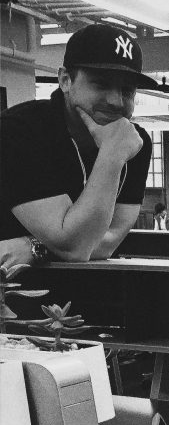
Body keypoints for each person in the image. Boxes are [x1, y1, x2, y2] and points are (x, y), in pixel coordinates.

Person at [0, 23, 155, 267]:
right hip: (11, 291)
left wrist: (36, 247)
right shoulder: (20, 130)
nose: (116, 101)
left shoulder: (135, 142)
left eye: (127, 90)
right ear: (65, 81)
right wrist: (112, 154)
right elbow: (75, 248)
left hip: (78, 290)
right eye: (101, 84)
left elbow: (109, 241)